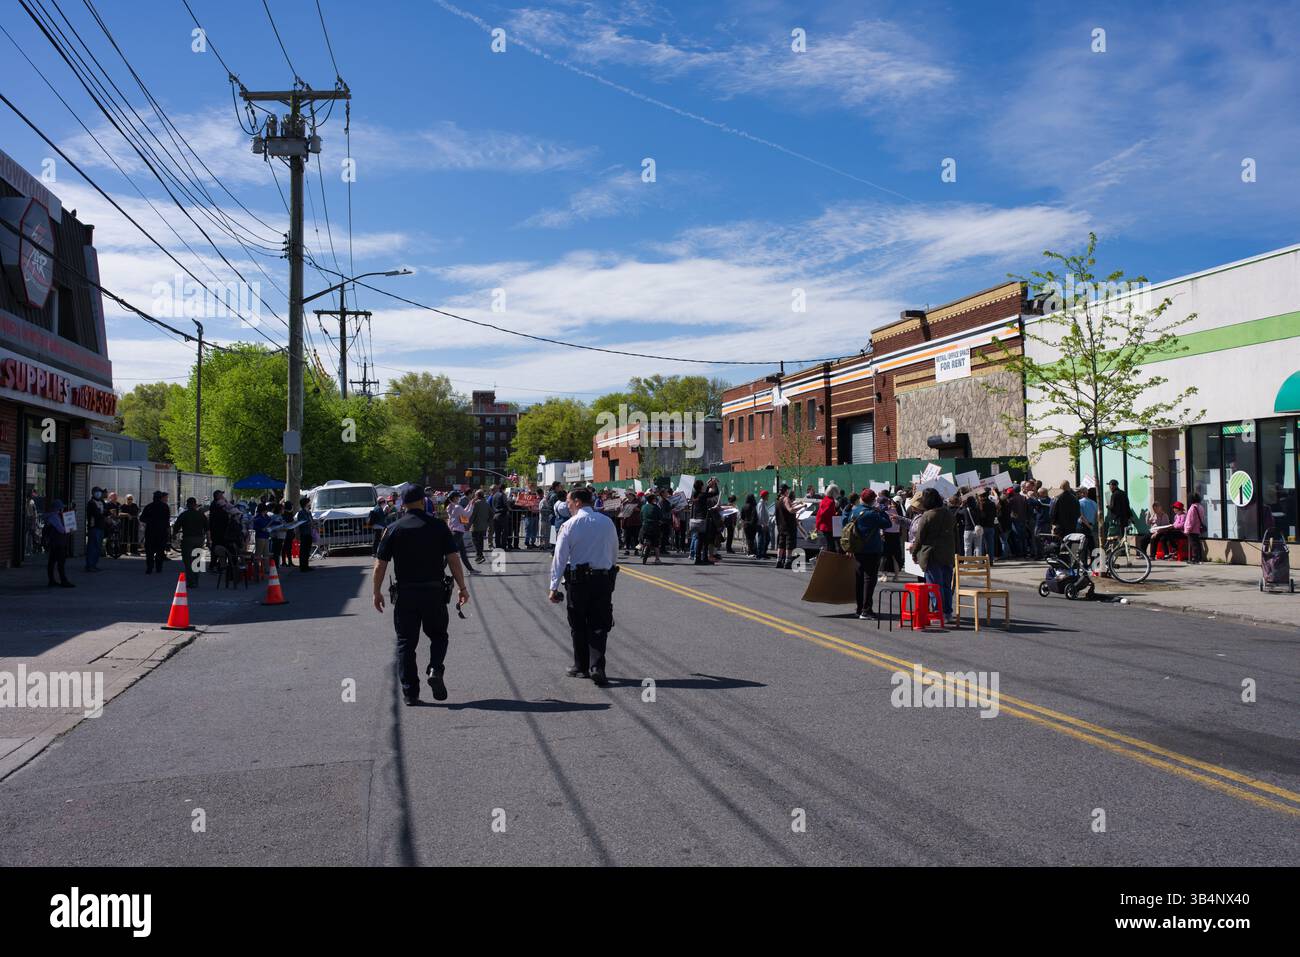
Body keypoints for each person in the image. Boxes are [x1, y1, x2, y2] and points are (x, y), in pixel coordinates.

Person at [373, 485, 470, 705]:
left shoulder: (394, 528)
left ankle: (410, 692)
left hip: (406, 593)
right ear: (422, 501)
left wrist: (376, 591)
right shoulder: (438, 526)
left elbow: (380, 565)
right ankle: (435, 668)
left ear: (403, 504)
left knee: (406, 643)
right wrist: (462, 588)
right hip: (434, 591)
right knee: (438, 635)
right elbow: (453, 559)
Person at [548, 486, 620, 686]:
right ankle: (597, 667)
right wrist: (610, 573)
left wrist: (553, 587)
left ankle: (581, 666)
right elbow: (614, 550)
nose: (568, 506)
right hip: (602, 579)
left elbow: (559, 558)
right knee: (599, 625)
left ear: (578, 502)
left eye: (569, 502)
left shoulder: (570, 525)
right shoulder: (607, 522)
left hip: (578, 581)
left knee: (578, 623)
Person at [909, 488, 955, 619]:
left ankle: (937, 611)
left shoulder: (927, 515)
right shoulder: (949, 514)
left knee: (934, 586)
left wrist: (914, 553)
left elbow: (920, 538)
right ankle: (947, 612)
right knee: (946, 585)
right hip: (948, 553)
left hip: (932, 554)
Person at [851, 490, 892, 620]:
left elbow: (844, 521)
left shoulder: (855, 510)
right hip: (872, 549)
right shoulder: (872, 513)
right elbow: (888, 524)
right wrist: (881, 511)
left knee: (859, 579)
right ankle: (866, 610)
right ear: (873, 500)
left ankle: (859, 608)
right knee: (869, 580)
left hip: (857, 548)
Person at [174, 497, 209, 588]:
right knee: (197, 561)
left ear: (187, 504)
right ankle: (196, 580)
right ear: (195, 504)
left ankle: (191, 581)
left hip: (188, 539)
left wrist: (173, 535)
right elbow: (207, 529)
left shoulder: (184, 515)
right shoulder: (201, 515)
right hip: (199, 539)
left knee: (188, 561)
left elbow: (176, 527)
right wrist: (209, 540)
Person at [445, 491, 478, 574]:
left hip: (454, 531)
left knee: (462, 552)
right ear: (455, 498)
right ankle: (439, 569)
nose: (459, 498)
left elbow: (463, 511)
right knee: (450, 552)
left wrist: (470, 503)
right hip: (458, 531)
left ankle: (471, 570)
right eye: (458, 497)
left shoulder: (450, 506)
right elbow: (466, 514)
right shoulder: (457, 507)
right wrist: (472, 505)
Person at [140, 490, 172, 574]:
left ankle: (149, 567)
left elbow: (142, 518)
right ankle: (159, 567)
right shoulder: (165, 507)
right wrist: (167, 530)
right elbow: (167, 519)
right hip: (162, 531)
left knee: (149, 551)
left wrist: (150, 520)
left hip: (150, 531)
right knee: (160, 550)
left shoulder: (149, 506)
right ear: (161, 498)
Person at [43, 499, 73, 587]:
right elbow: (61, 529)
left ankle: (52, 580)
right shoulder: (54, 517)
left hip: (54, 542)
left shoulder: (51, 516)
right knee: (61, 562)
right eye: (61, 508)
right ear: (58, 508)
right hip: (58, 542)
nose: (62, 510)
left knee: (52, 562)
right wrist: (69, 528)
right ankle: (63, 580)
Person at [775, 484, 800, 569]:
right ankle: (787, 562)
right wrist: (801, 507)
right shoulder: (786, 499)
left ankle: (778, 561)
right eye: (787, 490)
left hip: (781, 526)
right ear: (786, 491)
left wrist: (793, 504)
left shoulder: (778, 500)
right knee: (789, 544)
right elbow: (790, 510)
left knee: (781, 544)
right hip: (789, 526)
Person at [639, 491, 665, 564]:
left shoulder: (643, 507)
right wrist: (660, 522)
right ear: (653, 499)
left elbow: (640, 517)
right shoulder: (656, 507)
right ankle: (657, 559)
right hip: (654, 527)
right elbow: (660, 517)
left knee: (643, 538)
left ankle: (642, 551)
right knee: (656, 544)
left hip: (645, 526)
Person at [84, 486, 106, 572]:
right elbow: (97, 514)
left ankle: (94, 565)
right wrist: (104, 514)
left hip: (101, 527)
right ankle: (89, 565)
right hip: (94, 527)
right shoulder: (91, 503)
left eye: (99, 492)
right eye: (97, 492)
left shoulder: (101, 502)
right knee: (92, 547)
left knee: (98, 547)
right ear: (93, 493)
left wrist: (106, 513)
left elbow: (105, 511)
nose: (99, 493)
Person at [815, 485, 840, 554]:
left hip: (825, 526)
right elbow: (822, 514)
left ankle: (829, 562)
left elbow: (820, 514)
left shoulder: (825, 499)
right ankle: (828, 562)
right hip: (828, 527)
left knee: (830, 546)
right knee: (830, 547)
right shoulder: (830, 501)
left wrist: (817, 526)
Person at [469, 489, 491, 563]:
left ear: (477, 496)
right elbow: (492, 513)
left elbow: (473, 515)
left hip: (476, 526)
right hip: (484, 526)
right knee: (480, 541)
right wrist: (488, 523)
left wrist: (468, 525)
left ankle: (479, 555)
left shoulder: (476, 504)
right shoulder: (487, 503)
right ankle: (480, 555)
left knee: (475, 541)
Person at [1184, 493, 1205, 563]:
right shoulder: (1201, 507)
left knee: (1194, 544)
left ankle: (1195, 558)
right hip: (1197, 528)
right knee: (1197, 544)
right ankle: (1199, 558)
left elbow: (1190, 520)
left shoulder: (1193, 508)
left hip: (1192, 529)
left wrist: (1187, 529)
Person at [295, 496, 314, 571]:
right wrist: (309, 523)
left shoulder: (308, 512)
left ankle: (306, 565)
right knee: (303, 550)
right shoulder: (301, 513)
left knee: (307, 550)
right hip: (304, 533)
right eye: (308, 502)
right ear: (305, 504)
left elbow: (311, 521)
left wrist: (313, 523)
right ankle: (303, 566)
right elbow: (302, 523)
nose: (310, 504)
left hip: (309, 532)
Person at [740, 493, 759, 558]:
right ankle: (751, 552)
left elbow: (742, 516)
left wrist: (745, 521)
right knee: (752, 538)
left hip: (746, 524)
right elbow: (755, 516)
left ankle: (749, 552)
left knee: (748, 538)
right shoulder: (753, 506)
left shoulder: (743, 506)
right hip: (752, 524)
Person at [755, 489, 772, 559]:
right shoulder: (761, 504)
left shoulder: (764, 503)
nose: (768, 496)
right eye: (767, 495)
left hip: (765, 524)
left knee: (767, 539)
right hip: (762, 525)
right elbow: (760, 514)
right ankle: (759, 554)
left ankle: (763, 553)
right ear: (764, 496)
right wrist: (763, 524)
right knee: (761, 539)